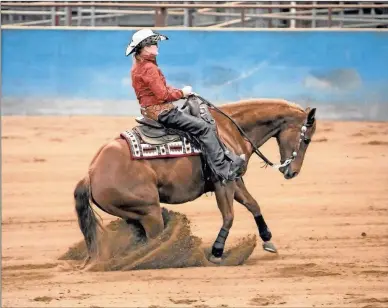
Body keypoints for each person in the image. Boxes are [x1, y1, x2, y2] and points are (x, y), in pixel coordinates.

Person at [126, 29, 245, 183]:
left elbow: (161, 90)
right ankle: (224, 169)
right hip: (163, 112)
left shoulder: (140, 66)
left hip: (152, 111)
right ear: (145, 47)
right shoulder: (149, 68)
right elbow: (163, 95)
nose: (157, 45)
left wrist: (181, 92)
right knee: (204, 127)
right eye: (153, 43)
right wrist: (182, 93)